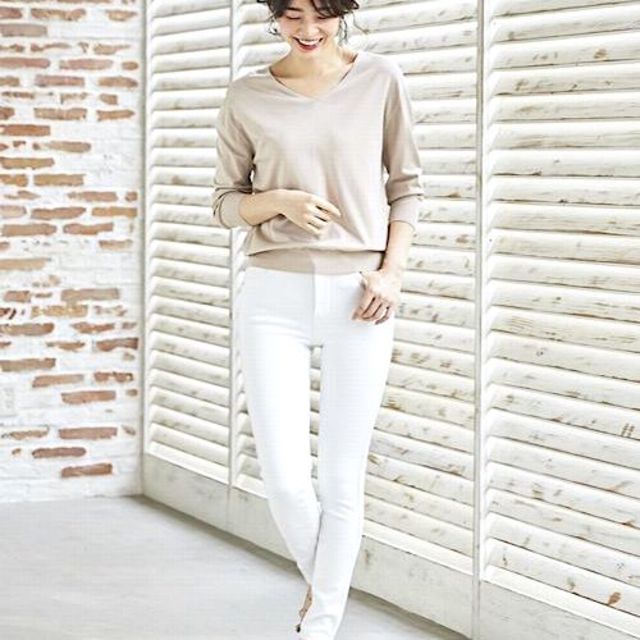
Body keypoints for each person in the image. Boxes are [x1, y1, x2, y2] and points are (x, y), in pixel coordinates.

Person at [211, 0, 424, 637]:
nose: (308, 30)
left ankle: (320, 623)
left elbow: (406, 187)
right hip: (272, 296)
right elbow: (224, 204)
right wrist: (277, 200)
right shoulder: (247, 95)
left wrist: (391, 273)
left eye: (323, 14)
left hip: (360, 296)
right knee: (283, 480)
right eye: (293, 15)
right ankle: (323, 590)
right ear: (274, 15)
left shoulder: (380, 78)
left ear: (343, 13)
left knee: (340, 479)